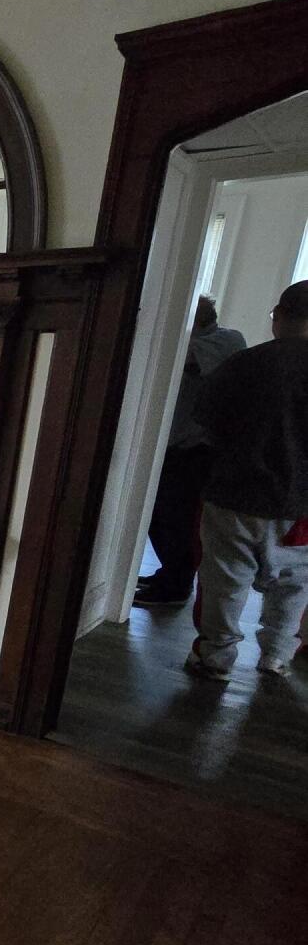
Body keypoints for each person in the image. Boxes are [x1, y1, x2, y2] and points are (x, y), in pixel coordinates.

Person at [185, 280, 308, 680]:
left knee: (224, 579)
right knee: (293, 586)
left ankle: (215, 657)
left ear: (280, 317)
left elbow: (205, 420)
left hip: (235, 492)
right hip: (303, 507)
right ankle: (276, 656)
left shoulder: (246, 363)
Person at [135, 295, 245, 607]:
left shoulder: (227, 340)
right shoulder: (198, 341)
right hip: (170, 447)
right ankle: (168, 575)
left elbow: (179, 358)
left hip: (195, 452)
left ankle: (176, 585)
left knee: (177, 521)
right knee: (158, 516)